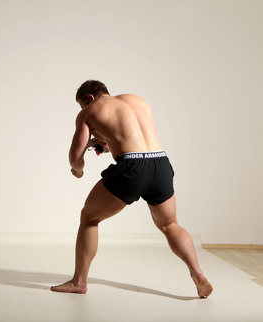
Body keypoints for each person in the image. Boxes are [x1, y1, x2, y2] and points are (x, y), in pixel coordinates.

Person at [51, 80, 213, 298]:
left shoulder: (88, 112)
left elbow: (75, 158)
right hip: (160, 164)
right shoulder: (138, 100)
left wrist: (78, 171)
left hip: (132, 169)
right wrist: (106, 142)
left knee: (89, 218)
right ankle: (198, 275)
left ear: (89, 99)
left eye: (83, 105)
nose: (85, 110)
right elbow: (133, 136)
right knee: (170, 224)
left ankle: (79, 282)